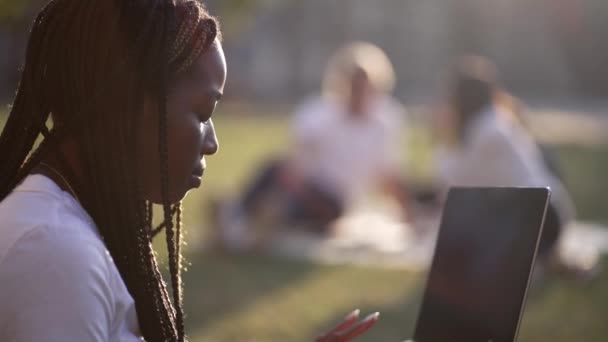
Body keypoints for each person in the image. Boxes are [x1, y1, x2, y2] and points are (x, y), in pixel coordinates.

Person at [0, 1, 378, 341]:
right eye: (203, 113)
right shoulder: (53, 252)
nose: (212, 142)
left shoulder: (73, 227)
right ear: (129, 105)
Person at [216, 42, 410, 251]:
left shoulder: (387, 121)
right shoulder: (317, 114)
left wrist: (407, 213)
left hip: (338, 202)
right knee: (274, 169)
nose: (359, 92)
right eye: (354, 84)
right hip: (309, 186)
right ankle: (238, 214)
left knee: (319, 208)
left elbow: (389, 176)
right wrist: (294, 183)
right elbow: (296, 165)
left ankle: (265, 220)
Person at [432, 55, 596, 278]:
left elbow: (449, 183)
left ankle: (549, 260)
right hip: (543, 214)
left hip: (539, 219)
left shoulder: (487, 133)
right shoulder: (496, 121)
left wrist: (444, 133)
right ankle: (553, 261)